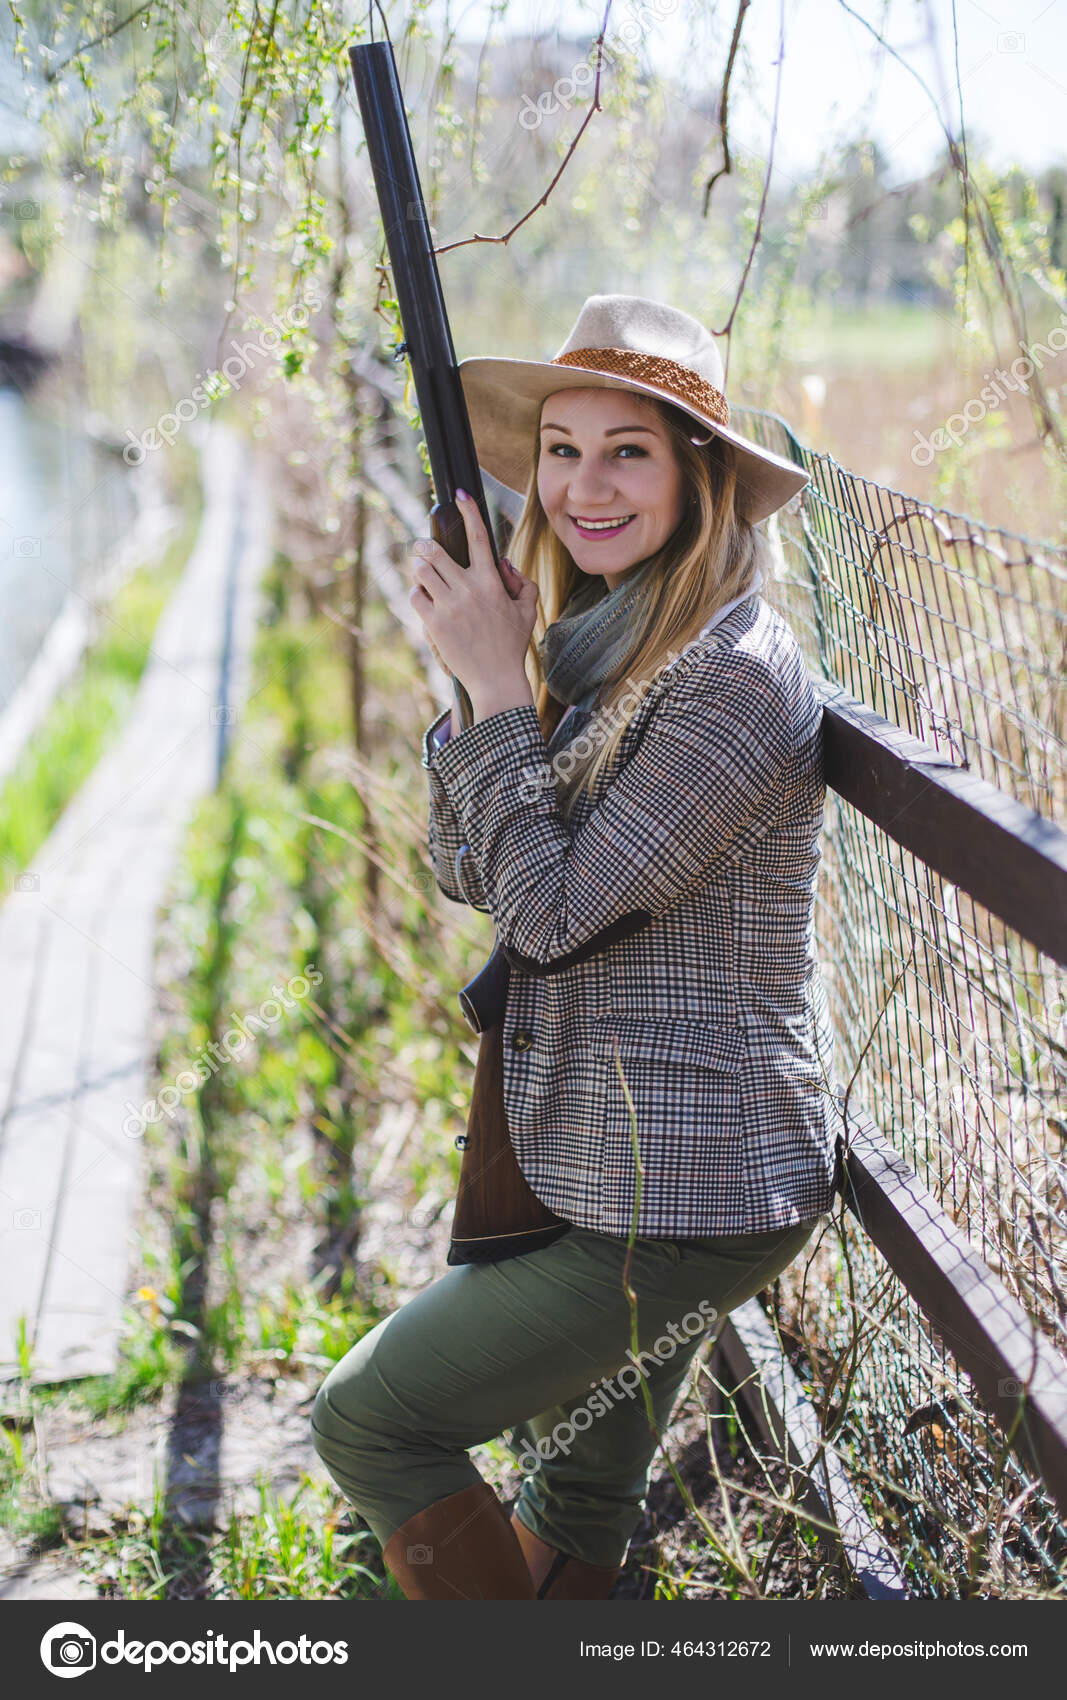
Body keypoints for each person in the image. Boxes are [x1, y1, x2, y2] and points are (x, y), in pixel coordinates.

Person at [310, 293, 842, 1601]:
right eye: (560, 450)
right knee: (579, 1499)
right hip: (617, 1153)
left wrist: (497, 689)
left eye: (629, 451)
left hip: (691, 1186)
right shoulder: (603, 636)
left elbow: (545, 920)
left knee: (370, 1418)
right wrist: (488, 686)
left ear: (699, 473)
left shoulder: (733, 676)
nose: (583, 486)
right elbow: (463, 867)